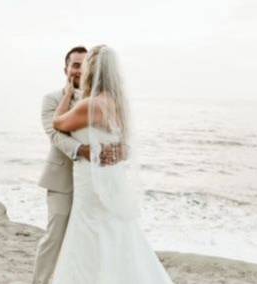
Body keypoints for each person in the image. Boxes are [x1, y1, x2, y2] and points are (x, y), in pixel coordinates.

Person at [50, 45, 175, 283]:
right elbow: (126, 147)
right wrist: (119, 151)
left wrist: (67, 92)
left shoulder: (90, 105)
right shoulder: (119, 105)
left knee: (88, 236)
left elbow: (58, 123)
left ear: (92, 72)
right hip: (112, 180)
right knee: (115, 234)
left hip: (92, 183)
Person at [32, 46, 124, 284]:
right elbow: (54, 133)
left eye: (84, 65)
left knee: (89, 239)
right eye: (74, 65)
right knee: (55, 236)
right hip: (62, 180)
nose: (79, 70)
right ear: (65, 69)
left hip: (94, 185)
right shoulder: (51, 99)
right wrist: (83, 150)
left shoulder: (101, 100)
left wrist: (118, 151)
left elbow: (119, 137)